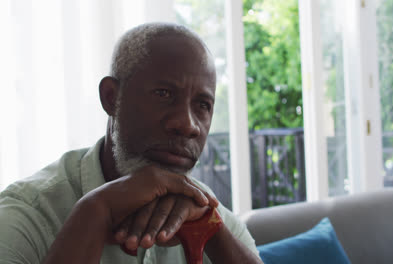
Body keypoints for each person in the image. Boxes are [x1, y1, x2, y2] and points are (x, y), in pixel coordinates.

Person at [0, 22, 263, 264]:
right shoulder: (25, 216)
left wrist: (213, 232)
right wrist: (96, 211)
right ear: (111, 97)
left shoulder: (210, 214)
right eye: (164, 94)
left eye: (203, 105)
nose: (187, 124)